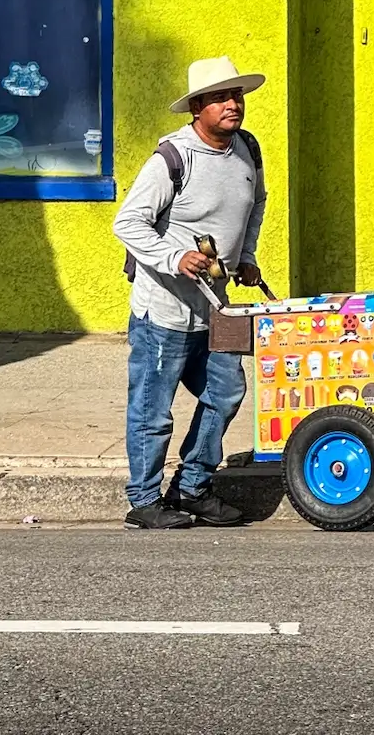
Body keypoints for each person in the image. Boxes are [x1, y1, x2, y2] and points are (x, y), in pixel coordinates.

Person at [113, 56, 267, 530]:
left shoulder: (247, 150)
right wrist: (174, 258)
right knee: (153, 410)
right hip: (163, 311)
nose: (232, 105)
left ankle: (193, 485)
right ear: (196, 109)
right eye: (220, 98)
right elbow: (127, 222)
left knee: (226, 391)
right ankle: (143, 500)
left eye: (236, 96)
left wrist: (246, 255)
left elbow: (255, 204)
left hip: (215, 307)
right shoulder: (172, 158)